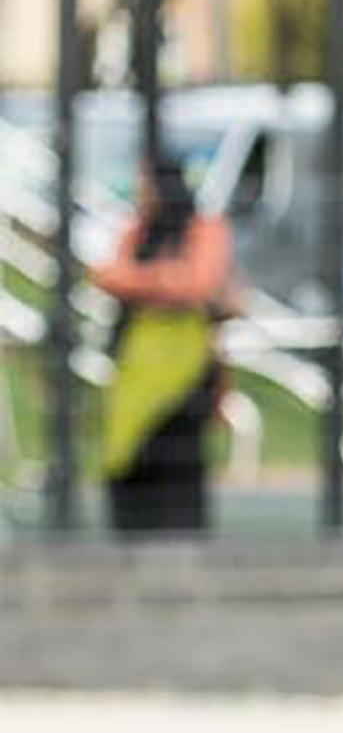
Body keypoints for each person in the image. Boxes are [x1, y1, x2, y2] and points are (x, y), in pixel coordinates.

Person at [89, 157, 233, 534]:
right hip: (139, 361)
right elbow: (106, 274)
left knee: (177, 454)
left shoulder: (203, 228)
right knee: (130, 448)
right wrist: (165, 279)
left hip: (187, 367)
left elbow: (199, 282)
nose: (142, 194)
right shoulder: (138, 230)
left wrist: (148, 282)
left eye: (146, 184)